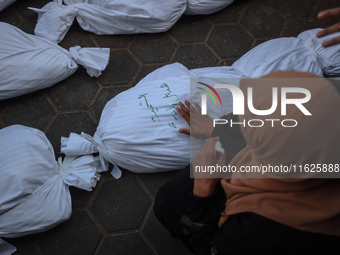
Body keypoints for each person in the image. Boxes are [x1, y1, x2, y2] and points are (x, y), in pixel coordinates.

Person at [154, 70, 340, 254]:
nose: (245, 118)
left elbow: (211, 249)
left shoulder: (268, 228)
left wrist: (203, 193)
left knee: (171, 204)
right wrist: (217, 128)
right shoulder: (326, 129)